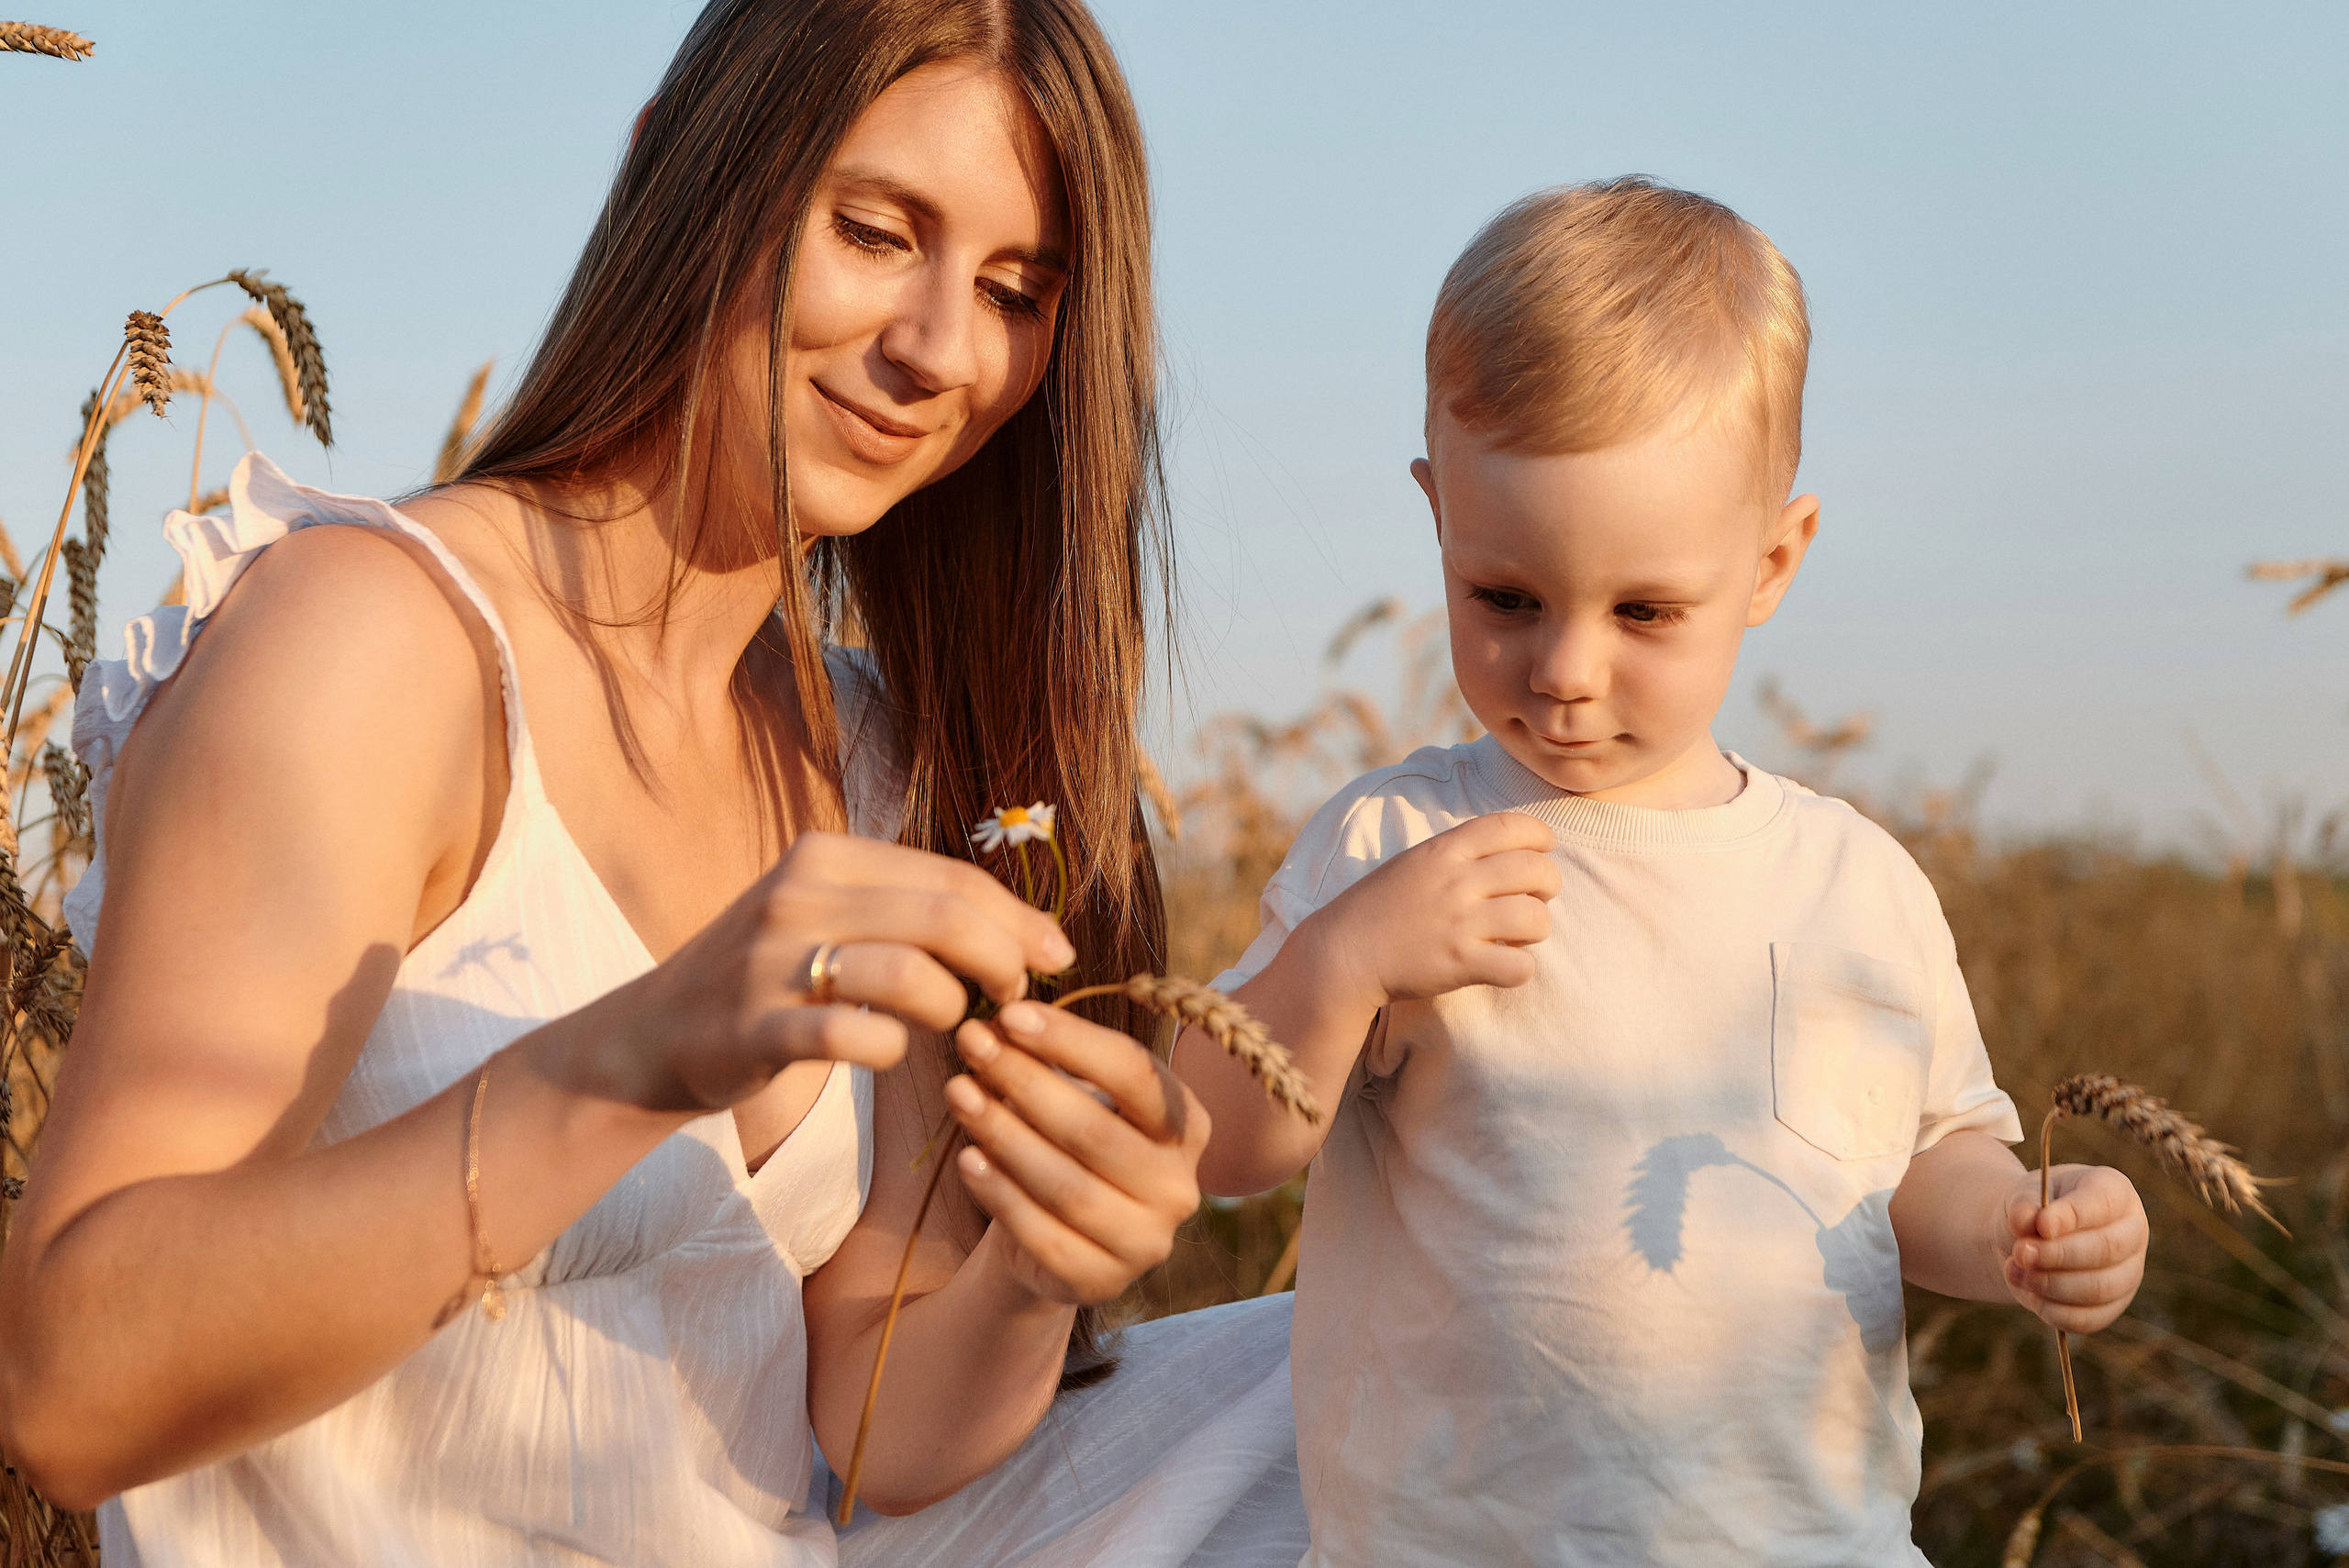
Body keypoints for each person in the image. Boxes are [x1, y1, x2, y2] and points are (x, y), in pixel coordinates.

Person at [0, 3, 1305, 1563]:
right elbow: (69, 1382)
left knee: (1377, 1384)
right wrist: (634, 1054)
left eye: (1016, 293)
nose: (941, 350)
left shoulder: (864, 752)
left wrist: (1032, 1272)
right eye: (875, 232)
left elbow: (872, 1429)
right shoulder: (377, 646)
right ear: (673, 172)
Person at [1172, 177, 2153, 1565]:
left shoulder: (1852, 884)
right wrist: (1341, 963)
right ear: (1437, 518)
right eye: (1505, 598)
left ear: (1772, 561)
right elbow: (1216, 1144)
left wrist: (2019, 1221)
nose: (1567, 669)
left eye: (1644, 610)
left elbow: (1914, 1166)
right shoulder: (1394, 847)